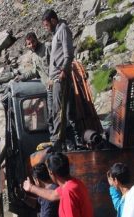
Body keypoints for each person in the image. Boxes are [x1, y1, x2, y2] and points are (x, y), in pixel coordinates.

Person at [42, 9, 79, 151]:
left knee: (60, 110)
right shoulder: (56, 32)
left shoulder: (63, 30)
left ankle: (58, 141)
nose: (46, 28)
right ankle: (61, 140)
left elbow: (68, 54)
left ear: (53, 20)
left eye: (46, 25)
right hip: (55, 79)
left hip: (60, 77)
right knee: (57, 110)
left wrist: (63, 71)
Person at [18, 32, 53, 129]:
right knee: (51, 116)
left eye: (33, 41)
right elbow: (35, 71)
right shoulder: (33, 56)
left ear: (37, 39)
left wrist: (52, 78)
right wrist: (22, 77)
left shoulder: (47, 47)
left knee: (62, 113)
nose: (32, 45)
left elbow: (57, 63)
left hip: (58, 84)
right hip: (49, 88)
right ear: (26, 45)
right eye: (29, 43)